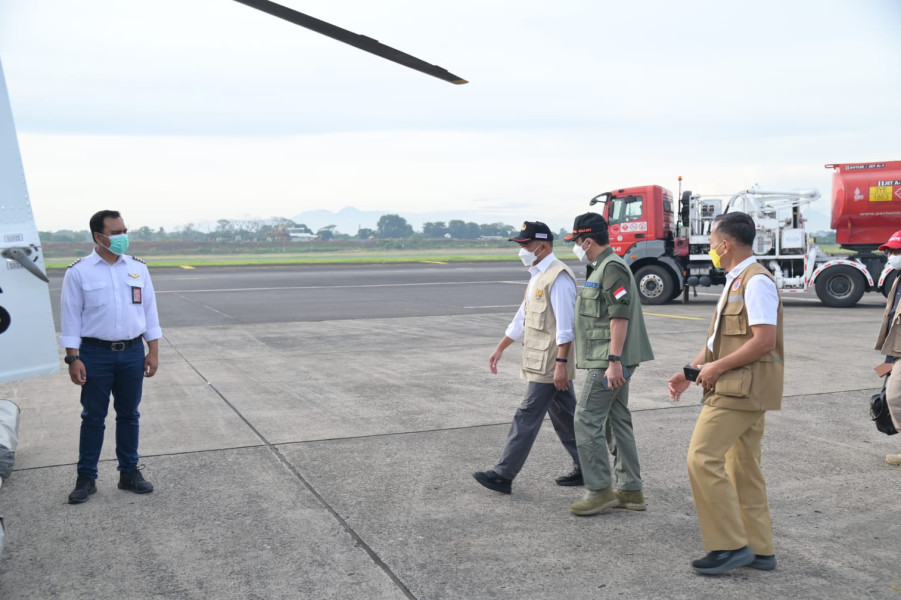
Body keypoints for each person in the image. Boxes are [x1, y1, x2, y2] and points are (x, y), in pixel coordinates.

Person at [667, 211, 783, 575]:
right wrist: (691, 371)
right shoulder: (736, 280)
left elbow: (764, 341)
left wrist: (715, 369)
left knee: (701, 458)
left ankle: (729, 545)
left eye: (712, 240)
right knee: (742, 467)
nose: (711, 248)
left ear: (725, 244)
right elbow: (720, 342)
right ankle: (760, 549)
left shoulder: (755, 281)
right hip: (738, 386)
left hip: (739, 390)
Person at [60, 210, 162, 504]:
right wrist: (72, 358)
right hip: (94, 354)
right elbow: (70, 319)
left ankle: (129, 472)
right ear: (98, 236)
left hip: (131, 352)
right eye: (116, 232)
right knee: (93, 416)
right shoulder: (79, 271)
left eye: (124, 230)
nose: (122, 237)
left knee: (130, 415)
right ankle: (86, 477)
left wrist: (152, 351)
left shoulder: (138, 269)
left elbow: (149, 312)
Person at [473, 221, 582, 495]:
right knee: (566, 416)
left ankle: (503, 474)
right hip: (541, 360)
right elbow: (522, 318)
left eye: (525, 245)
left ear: (542, 246)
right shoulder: (537, 275)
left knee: (527, 414)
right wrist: (501, 347)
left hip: (550, 362)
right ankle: (589, 467)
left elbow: (566, 328)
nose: (522, 250)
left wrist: (560, 365)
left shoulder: (559, 277)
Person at [564, 213, 654, 516]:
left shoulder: (611, 268)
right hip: (609, 359)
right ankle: (630, 490)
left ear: (587, 240)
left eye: (576, 240)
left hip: (609, 361)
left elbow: (619, 315)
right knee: (616, 420)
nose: (576, 245)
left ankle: (600, 490)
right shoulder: (599, 268)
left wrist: (614, 361)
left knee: (586, 417)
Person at [874, 229, 901, 466]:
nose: (892, 255)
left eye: (897, 251)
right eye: (890, 251)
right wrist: (889, 361)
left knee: (894, 397)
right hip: (897, 351)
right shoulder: (897, 280)